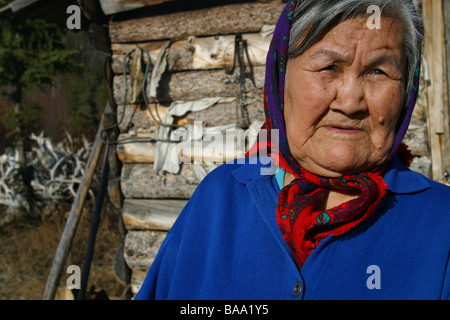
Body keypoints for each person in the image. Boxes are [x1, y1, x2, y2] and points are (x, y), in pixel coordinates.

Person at [135, 0, 450, 300]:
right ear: (281, 78)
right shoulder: (219, 199)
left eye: (378, 72)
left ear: (406, 91)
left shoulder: (440, 223)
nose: (351, 101)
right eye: (328, 66)